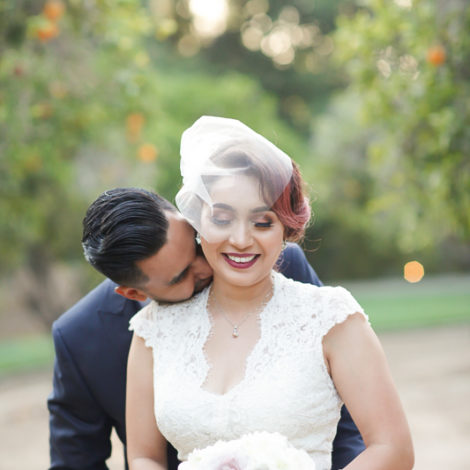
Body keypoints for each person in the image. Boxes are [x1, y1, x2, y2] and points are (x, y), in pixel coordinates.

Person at [126, 116, 414, 470]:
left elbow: (392, 448)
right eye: (222, 219)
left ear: (286, 229)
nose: (242, 239)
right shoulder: (153, 331)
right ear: (199, 222)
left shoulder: (332, 318)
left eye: (263, 222)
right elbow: (143, 457)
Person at [48, 188, 364, 470]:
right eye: (181, 276)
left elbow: (352, 421)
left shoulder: (276, 265)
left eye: (196, 247)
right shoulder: (80, 339)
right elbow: (76, 463)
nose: (206, 267)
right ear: (134, 293)